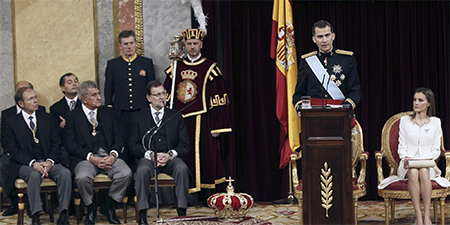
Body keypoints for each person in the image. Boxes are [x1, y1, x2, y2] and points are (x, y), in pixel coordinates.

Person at [164, 28, 232, 196]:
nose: (192, 47)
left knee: (206, 157)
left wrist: (217, 126)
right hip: (179, 121)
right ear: (184, 45)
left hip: (204, 120)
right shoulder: (175, 67)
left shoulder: (210, 68)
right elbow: (166, 95)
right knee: (182, 156)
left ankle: (207, 194)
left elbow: (218, 99)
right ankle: (183, 195)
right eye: (189, 44)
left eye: (195, 43)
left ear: (201, 44)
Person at [378, 88, 450, 225]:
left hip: (428, 164)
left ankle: (427, 216)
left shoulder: (435, 122)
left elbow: (436, 149)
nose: (416, 103)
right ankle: (418, 216)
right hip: (407, 164)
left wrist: (424, 160)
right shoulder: (405, 121)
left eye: (420, 100)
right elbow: (401, 146)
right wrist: (406, 158)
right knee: (413, 171)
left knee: (423, 172)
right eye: (414, 100)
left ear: (428, 103)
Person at [64, 81, 132, 225]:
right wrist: (92, 158)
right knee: (82, 177)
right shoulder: (72, 117)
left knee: (126, 173)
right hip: (86, 158)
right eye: (94, 95)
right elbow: (71, 145)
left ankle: (109, 205)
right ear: (84, 99)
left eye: (98, 93)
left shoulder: (108, 112)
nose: (99, 97)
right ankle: (90, 207)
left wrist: (113, 155)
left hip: (109, 156)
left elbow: (119, 136)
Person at [3, 87, 72, 225]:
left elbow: (56, 143)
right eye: (30, 99)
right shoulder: (12, 122)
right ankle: (35, 215)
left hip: (48, 161)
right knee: (34, 175)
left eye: (35, 97)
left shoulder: (47, 118)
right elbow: (12, 149)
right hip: (25, 164)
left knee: (65, 173)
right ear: (21, 104)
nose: (35, 101)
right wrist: (32, 163)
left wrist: (50, 161)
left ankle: (64, 214)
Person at [130, 81, 190, 225]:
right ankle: (143, 214)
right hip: (148, 158)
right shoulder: (139, 117)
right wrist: (150, 155)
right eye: (157, 95)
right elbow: (133, 144)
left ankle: (182, 213)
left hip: (170, 159)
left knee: (182, 169)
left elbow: (185, 144)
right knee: (142, 170)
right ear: (149, 98)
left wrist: (170, 154)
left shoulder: (175, 115)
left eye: (163, 93)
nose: (162, 97)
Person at [104, 30, 156, 164]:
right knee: (124, 144)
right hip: (121, 113)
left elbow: (152, 87)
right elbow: (108, 89)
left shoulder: (146, 63)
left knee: (141, 143)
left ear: (136, 44)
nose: (129, 47)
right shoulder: (113, 65)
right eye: (125, 44)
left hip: (141, 111)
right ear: (120, 46)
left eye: (131, 43)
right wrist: (109, 109)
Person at [293, 20, 362, 116]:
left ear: (333, 36)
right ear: (314, 39)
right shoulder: (306, 62)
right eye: (320, 37)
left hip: (341, 117)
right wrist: (301, 110)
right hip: (313, 117)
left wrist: (346, 107)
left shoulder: (347, 60)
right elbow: (298, 94)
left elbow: (355, 91)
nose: (324, 40)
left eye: (327, 35)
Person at [0, 81, 45, 217]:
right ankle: (14, 201)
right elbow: (5, 139)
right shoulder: (7, 114)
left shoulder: (41, 110)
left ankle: (34, 205)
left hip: (36, 151)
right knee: (3, 165)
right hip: (14, 150)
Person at [50, 72, 80, 166]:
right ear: (62, 88)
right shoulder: (56, 108)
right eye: (70, 82)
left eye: (76, 81)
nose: (74, 84)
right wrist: (61, 126)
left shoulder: (86, 103)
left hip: (84, 145)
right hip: (65, 147)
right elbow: (54, 133)